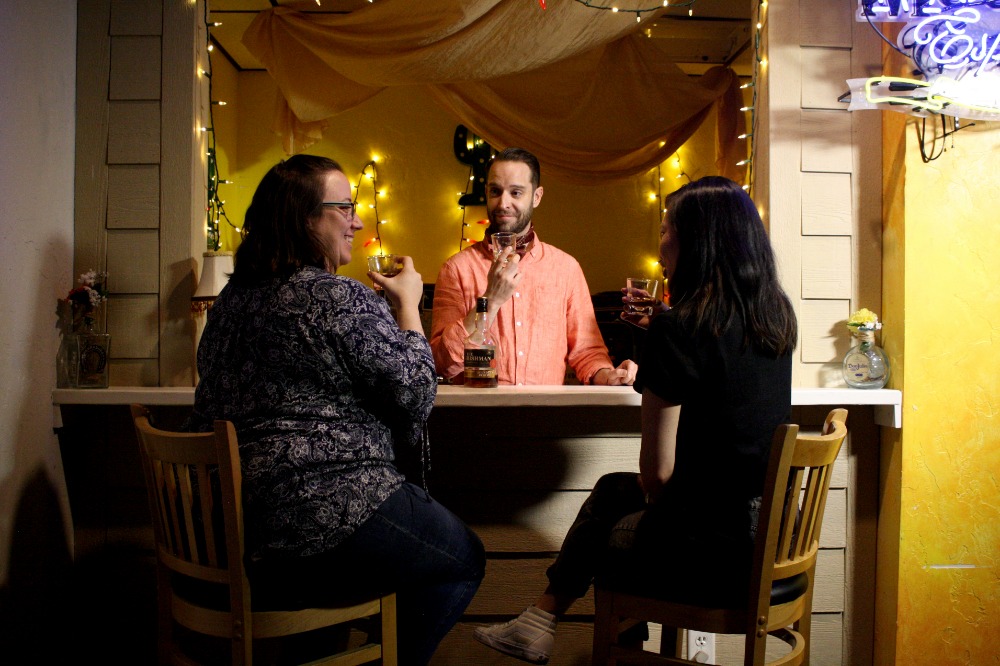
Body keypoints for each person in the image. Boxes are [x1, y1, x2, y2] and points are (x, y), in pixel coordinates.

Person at [472, 176, 798, 664]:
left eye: (667, 230)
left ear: (699, 242)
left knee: (614, 528)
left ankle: (552, 626)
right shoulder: (774, 316)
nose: (661, 242)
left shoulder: (680, 327)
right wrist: (668, 327)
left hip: (715, 553)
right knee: (614, 491)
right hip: (771, 540)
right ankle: (539, 620)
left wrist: (666, 333)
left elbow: (659, 476)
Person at [187, 154, 485, 666]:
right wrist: (409, 305)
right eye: (345, 207)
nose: (359, 220)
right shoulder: (338, 298)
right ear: (306, 218)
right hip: (321, 526)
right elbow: (416, 391)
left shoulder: (232, 301)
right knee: (461, 558)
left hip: (234, 535)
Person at [431, 147, 638, 386]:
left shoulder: (566, 269)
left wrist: (610, 375)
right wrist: (491, 300)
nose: (503, 203)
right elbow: (440, 364)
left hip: (546, 418)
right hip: (477, 420)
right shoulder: (456, 269)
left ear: (536, 197)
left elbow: (587, 353)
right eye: (495, 192)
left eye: (516, 193)